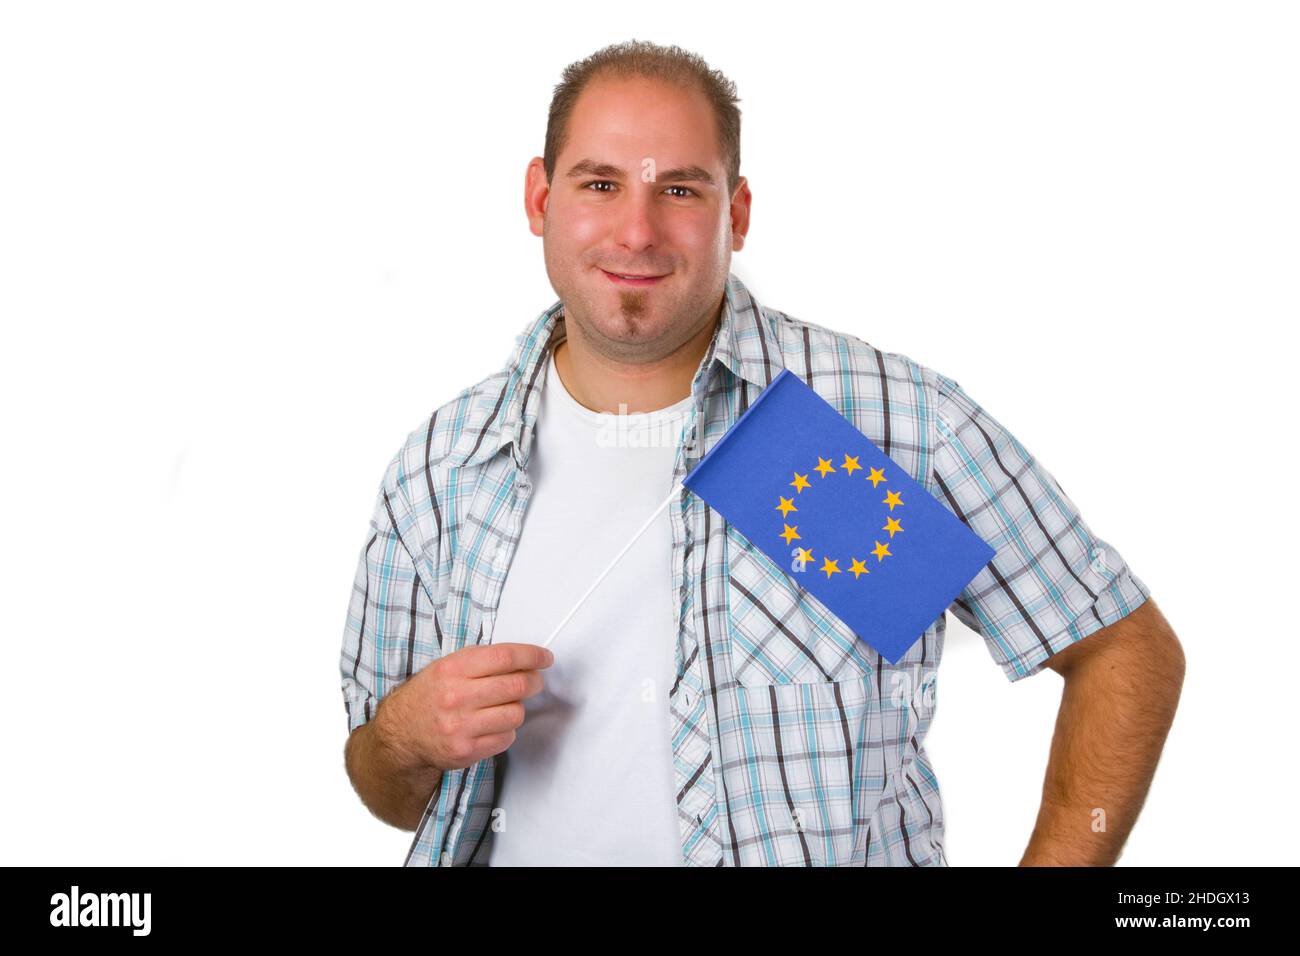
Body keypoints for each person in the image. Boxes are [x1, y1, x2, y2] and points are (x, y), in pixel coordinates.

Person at [338, 39, 1185, 867]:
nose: (637, 232)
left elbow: (1118, 647)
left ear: (736, 214)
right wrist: (406, 735)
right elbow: (390, 790)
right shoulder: (444, 470)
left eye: (680, 189)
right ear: (539, 198)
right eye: (600, 184)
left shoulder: (868, 424)